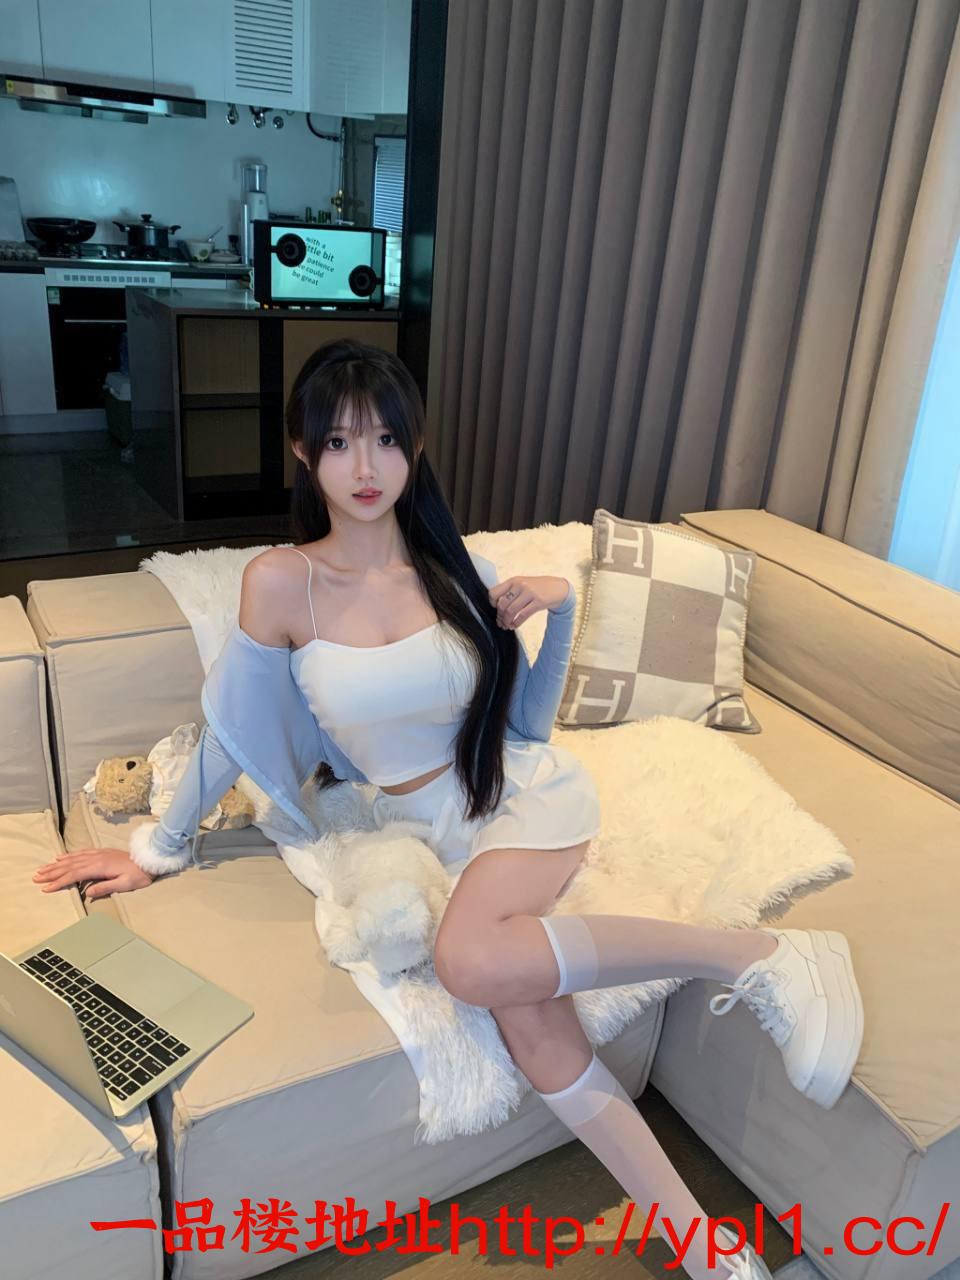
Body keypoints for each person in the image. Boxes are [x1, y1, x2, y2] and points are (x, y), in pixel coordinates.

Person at [31, 339, 863, 1279]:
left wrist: (561, 610)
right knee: (533, 1022)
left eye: (387, 439)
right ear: (303, 451)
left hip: (526, 802)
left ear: (414, 447)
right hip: (435, 832)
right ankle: (707, 1247)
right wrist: (160, 847)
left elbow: (524, 727)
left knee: (469, 961)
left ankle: (757, 955)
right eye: (339, 442)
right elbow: (235, 726)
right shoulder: (282, 583)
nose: (366, 465)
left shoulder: (454, 565)